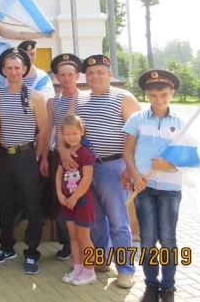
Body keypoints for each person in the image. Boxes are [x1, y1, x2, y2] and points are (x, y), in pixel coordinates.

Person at [58, 54, 142, 288]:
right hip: (84, 170)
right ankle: (100, 260)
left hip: (114, 167)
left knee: (117, 220)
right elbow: (65, 126)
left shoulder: (124, 97)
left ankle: (125, 269)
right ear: (86, 76)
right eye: (91, 72)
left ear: (110, 73)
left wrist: (130, 168)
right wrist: (62, 150)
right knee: (93, 221)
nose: (95, 76)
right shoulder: (80, 98)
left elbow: (138, 135)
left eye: (100, 72)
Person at [123, 69, 184, 302]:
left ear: (172, 93)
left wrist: (170, 165)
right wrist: (136, 175)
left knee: (168, 239)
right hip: (143, 188)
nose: (159, 99)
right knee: (147, 239)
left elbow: (189, 158)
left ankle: (168, 286)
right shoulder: (137, 119)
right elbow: (128, 152)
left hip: (170, 190)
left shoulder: (181, 123)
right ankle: (151, 284)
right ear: (146, 94)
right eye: (153, 94)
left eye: (164, 94)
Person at [0, 47, 49, 275]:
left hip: (26, 155)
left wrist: (36, 157)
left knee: (31, 205)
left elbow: (43, 132)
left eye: (17, 68)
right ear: (3, 71)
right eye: (9, 68)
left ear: (24, 69)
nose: (13, 72)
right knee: (5, 204)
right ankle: (7, 247)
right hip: (4, 156)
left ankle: (32, 252)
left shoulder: (35, 97)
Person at [46, 53, 83, 261]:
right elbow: (49, 130)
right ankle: (67, 243)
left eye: (70, 74)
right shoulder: (53, 101)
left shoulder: (84, 98)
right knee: (60, 197)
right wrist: (43, 157)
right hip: (57, 157)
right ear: (57, 77)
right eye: (62, 75)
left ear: (77, 76)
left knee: (79, 198)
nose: (66, 78)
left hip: (78, 158)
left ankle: (83, 241)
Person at [56, 114, 97, 286]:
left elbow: (87, 179)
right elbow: (59, 174)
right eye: (67, 134)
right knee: (72, 237)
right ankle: (77, 267)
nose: (71, 137)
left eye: (74, 133)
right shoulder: (65, 154)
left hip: (81, 202)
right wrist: (59, 193)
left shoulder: (86, 153)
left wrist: (74, 197)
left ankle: (89, 271)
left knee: (84, 237)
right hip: (67, 202)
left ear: (82, 132)